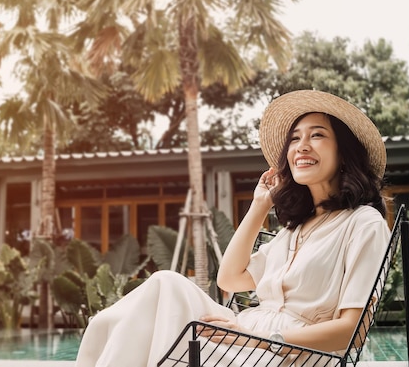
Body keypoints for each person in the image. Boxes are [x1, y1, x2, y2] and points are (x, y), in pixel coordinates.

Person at [75, 89, 390, 367]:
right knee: (166, 285)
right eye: (295, 138)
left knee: (164, 328)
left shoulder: (363, 224)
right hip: (244, 336)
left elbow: (355, 328)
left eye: (317, 135)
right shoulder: (292, 232)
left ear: (344, 153)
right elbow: (229, 278)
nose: (301, 146)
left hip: (287, 353)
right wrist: (259, 205)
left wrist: (259, 339)